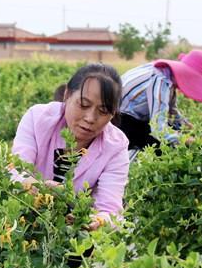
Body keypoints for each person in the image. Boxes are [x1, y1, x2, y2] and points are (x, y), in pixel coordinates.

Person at [12, 63, 129, 229]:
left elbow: (111, 210)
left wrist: (98, 221)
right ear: (67, 94)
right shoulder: (38, 117)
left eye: (103, 111)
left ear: (113, 113)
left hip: (71, 232)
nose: (90, 118)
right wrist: (37, 186)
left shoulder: (116, 145)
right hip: (23, 221)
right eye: (83, 104)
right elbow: (16, 170)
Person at [118, 49, 202, 160]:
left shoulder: (167, 76)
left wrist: (192, 130)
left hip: (131, 118)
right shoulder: (161, 80)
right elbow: (159, 130)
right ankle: (129, 167)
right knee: (158, 145)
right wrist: (191, 141)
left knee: (171, 130)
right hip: (119, 121)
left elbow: (173, 114)